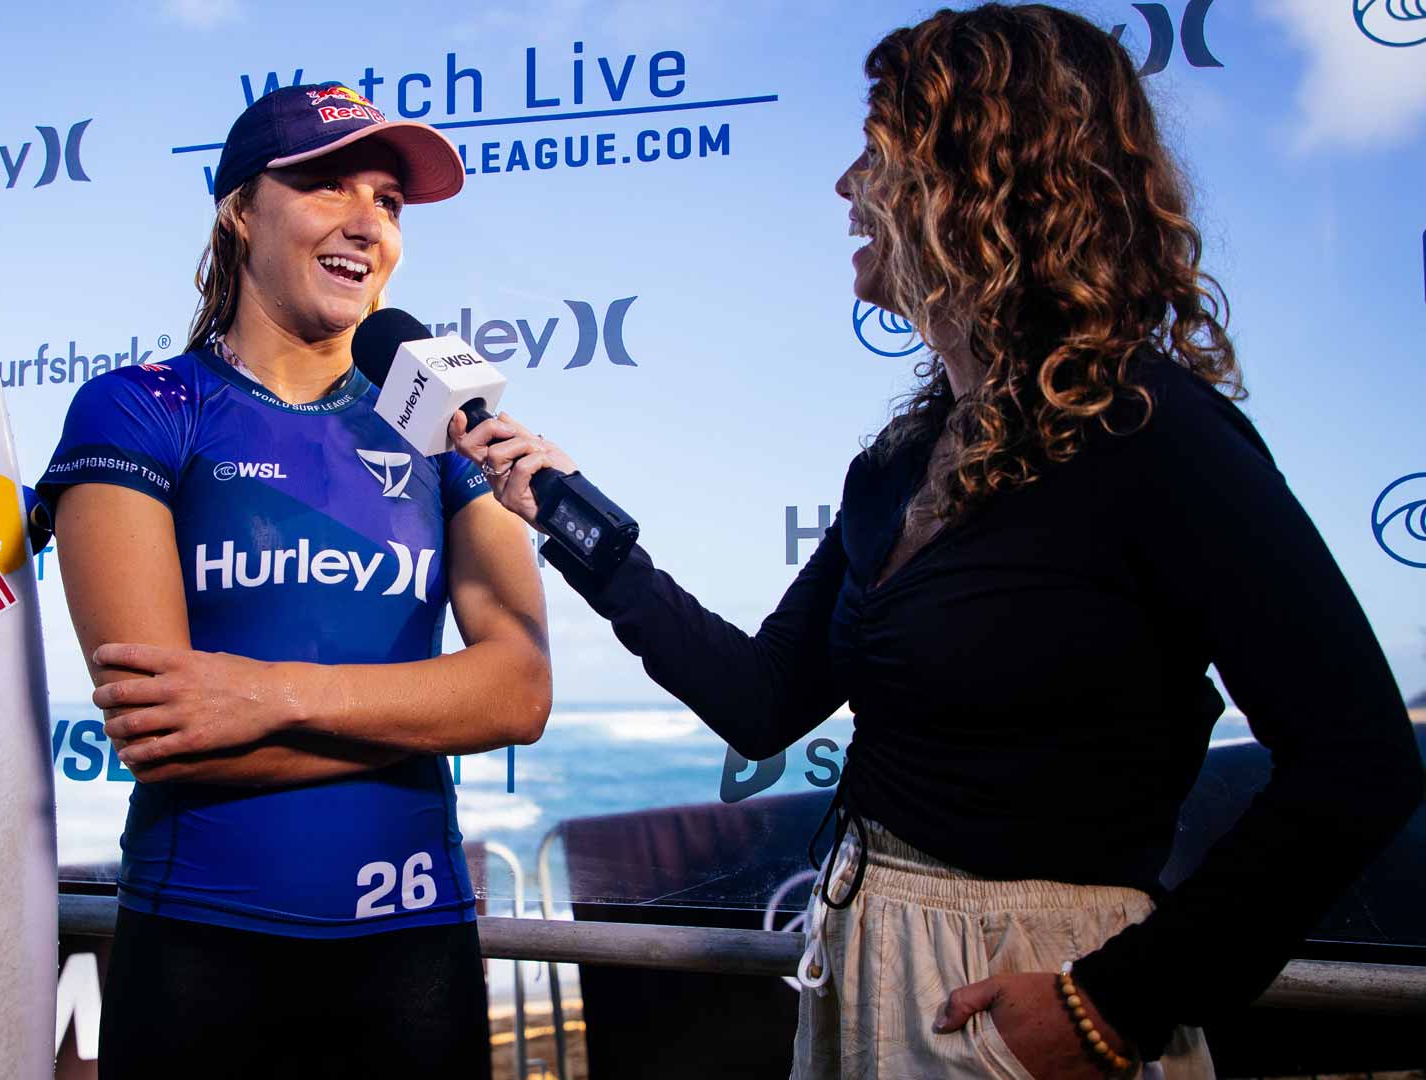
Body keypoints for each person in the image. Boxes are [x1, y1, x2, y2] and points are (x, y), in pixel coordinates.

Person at [452, 5, 1424, 1078]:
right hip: (865, 963)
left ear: (982, 176)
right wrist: (575, 519)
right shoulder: (895, 466)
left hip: (1034, 990)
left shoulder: (1152, 433)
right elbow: (765, 699)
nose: (843, 189)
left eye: (874, 154)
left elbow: (1357, 764)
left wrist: (1115, 1002)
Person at [37, 83, 549, 1080]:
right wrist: (424, 718)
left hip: (416, 955)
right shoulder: (141, 408)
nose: (367, 222)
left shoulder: (446, 426)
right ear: (239, 208)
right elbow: (167, 736)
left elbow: (518, 691)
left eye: (389, 202)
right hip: (197, 952)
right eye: (326, 186)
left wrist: (260, 696)